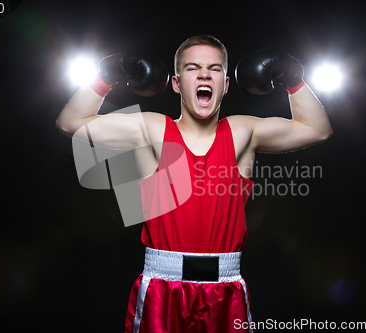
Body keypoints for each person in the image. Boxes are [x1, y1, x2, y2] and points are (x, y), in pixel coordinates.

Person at [56, 35, 332, 333]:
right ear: (176, 83)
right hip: (163, 290)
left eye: (214, 68)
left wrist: (293, 78)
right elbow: (70, 122)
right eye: (192, 68)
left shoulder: (242, 132)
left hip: (226, 291)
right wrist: (106, 76)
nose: (204, 74)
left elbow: (317, 129)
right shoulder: (153, 129)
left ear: (225, 84)